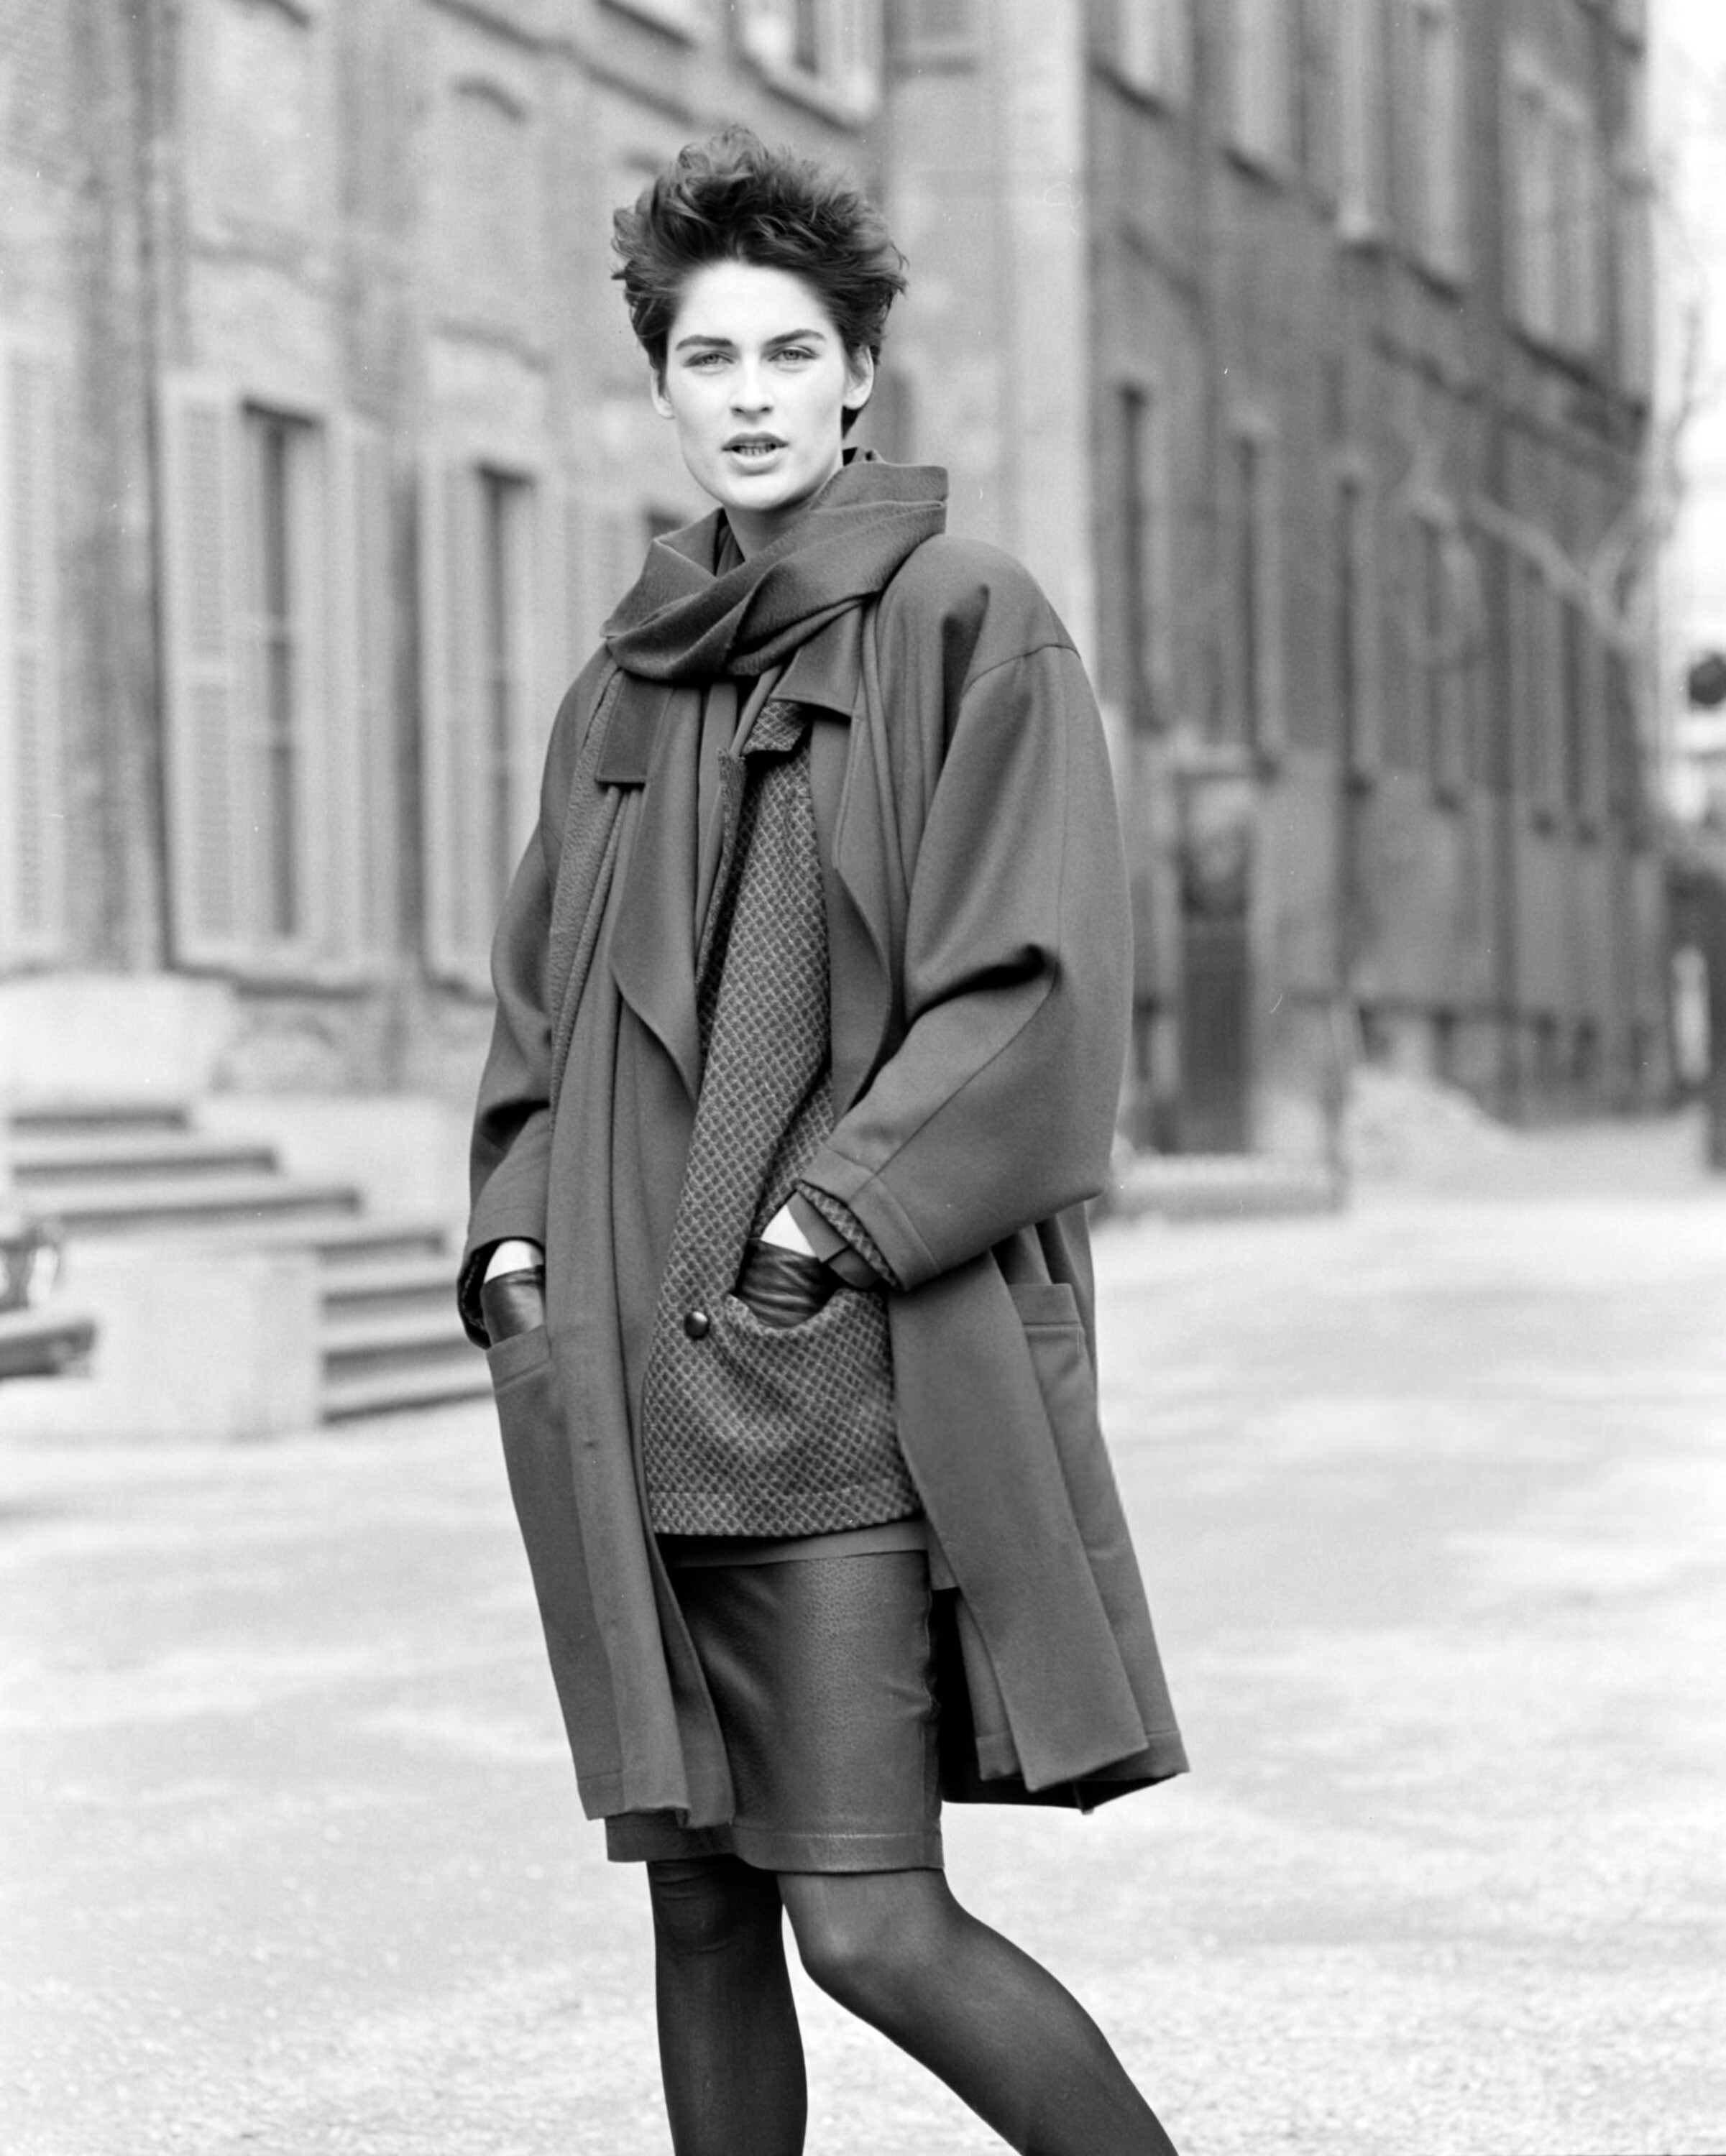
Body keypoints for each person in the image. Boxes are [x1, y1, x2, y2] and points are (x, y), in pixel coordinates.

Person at [460, 126, 1189, 2156]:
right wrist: (515, 1248)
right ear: (663, 386)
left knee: (866, 1923)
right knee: (701, 1911)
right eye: (709, 358)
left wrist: (820, 1235)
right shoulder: (623, 676)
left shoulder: (968, 619)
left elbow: (1031, 986)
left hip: (835, 1385)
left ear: (861, 370)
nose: (754, 395)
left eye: (792, 352)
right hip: (626, 1384)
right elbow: (536, 1019)